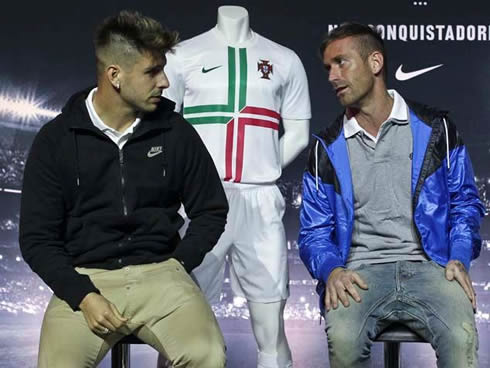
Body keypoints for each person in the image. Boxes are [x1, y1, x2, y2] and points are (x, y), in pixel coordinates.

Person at [19, 10, 228, 368]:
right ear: (114, 75)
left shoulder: (175, 132)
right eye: (152, 71)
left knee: (206, 355)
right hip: (86, 279)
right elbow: (37, 239)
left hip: (162, 272)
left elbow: (211, 209)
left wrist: (179, 264)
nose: (164, 82)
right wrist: (82, 295)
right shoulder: (56, 140)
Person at [298, 22, 485, 368]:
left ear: (375, 63)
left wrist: (457, 255)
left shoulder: (436, 129)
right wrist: (332, 270)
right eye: (327, 67)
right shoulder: (325, 147)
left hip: (431, 268)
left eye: (342, 62)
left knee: (461, 338)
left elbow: (465, 202)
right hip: (358, 273)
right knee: (343, 341)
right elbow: (313, 233)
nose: (331, 76)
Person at [162, 6, 311, 368]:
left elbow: (299, 134)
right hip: (196, 201)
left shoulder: (284, 60)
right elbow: (161, 128)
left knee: (271, 327)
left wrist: (263, 168)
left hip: (260, 197)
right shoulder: (181, 56)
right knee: (182, 319)